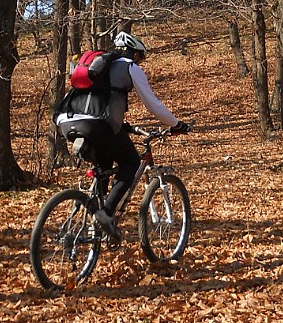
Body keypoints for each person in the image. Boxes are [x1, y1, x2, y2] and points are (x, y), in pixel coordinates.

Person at [62, 31, 189, 238]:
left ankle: (95, 224)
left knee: (104, 165)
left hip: (67, 121)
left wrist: (122, 125)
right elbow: (153, 105)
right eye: (140, 57)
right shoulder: (129, 66)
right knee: (130, 163)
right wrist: (176, 124)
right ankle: (105, 214)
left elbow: (95, 101)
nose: (140, 62)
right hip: (96, 124)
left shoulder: (95, 67)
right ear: (135, 54)